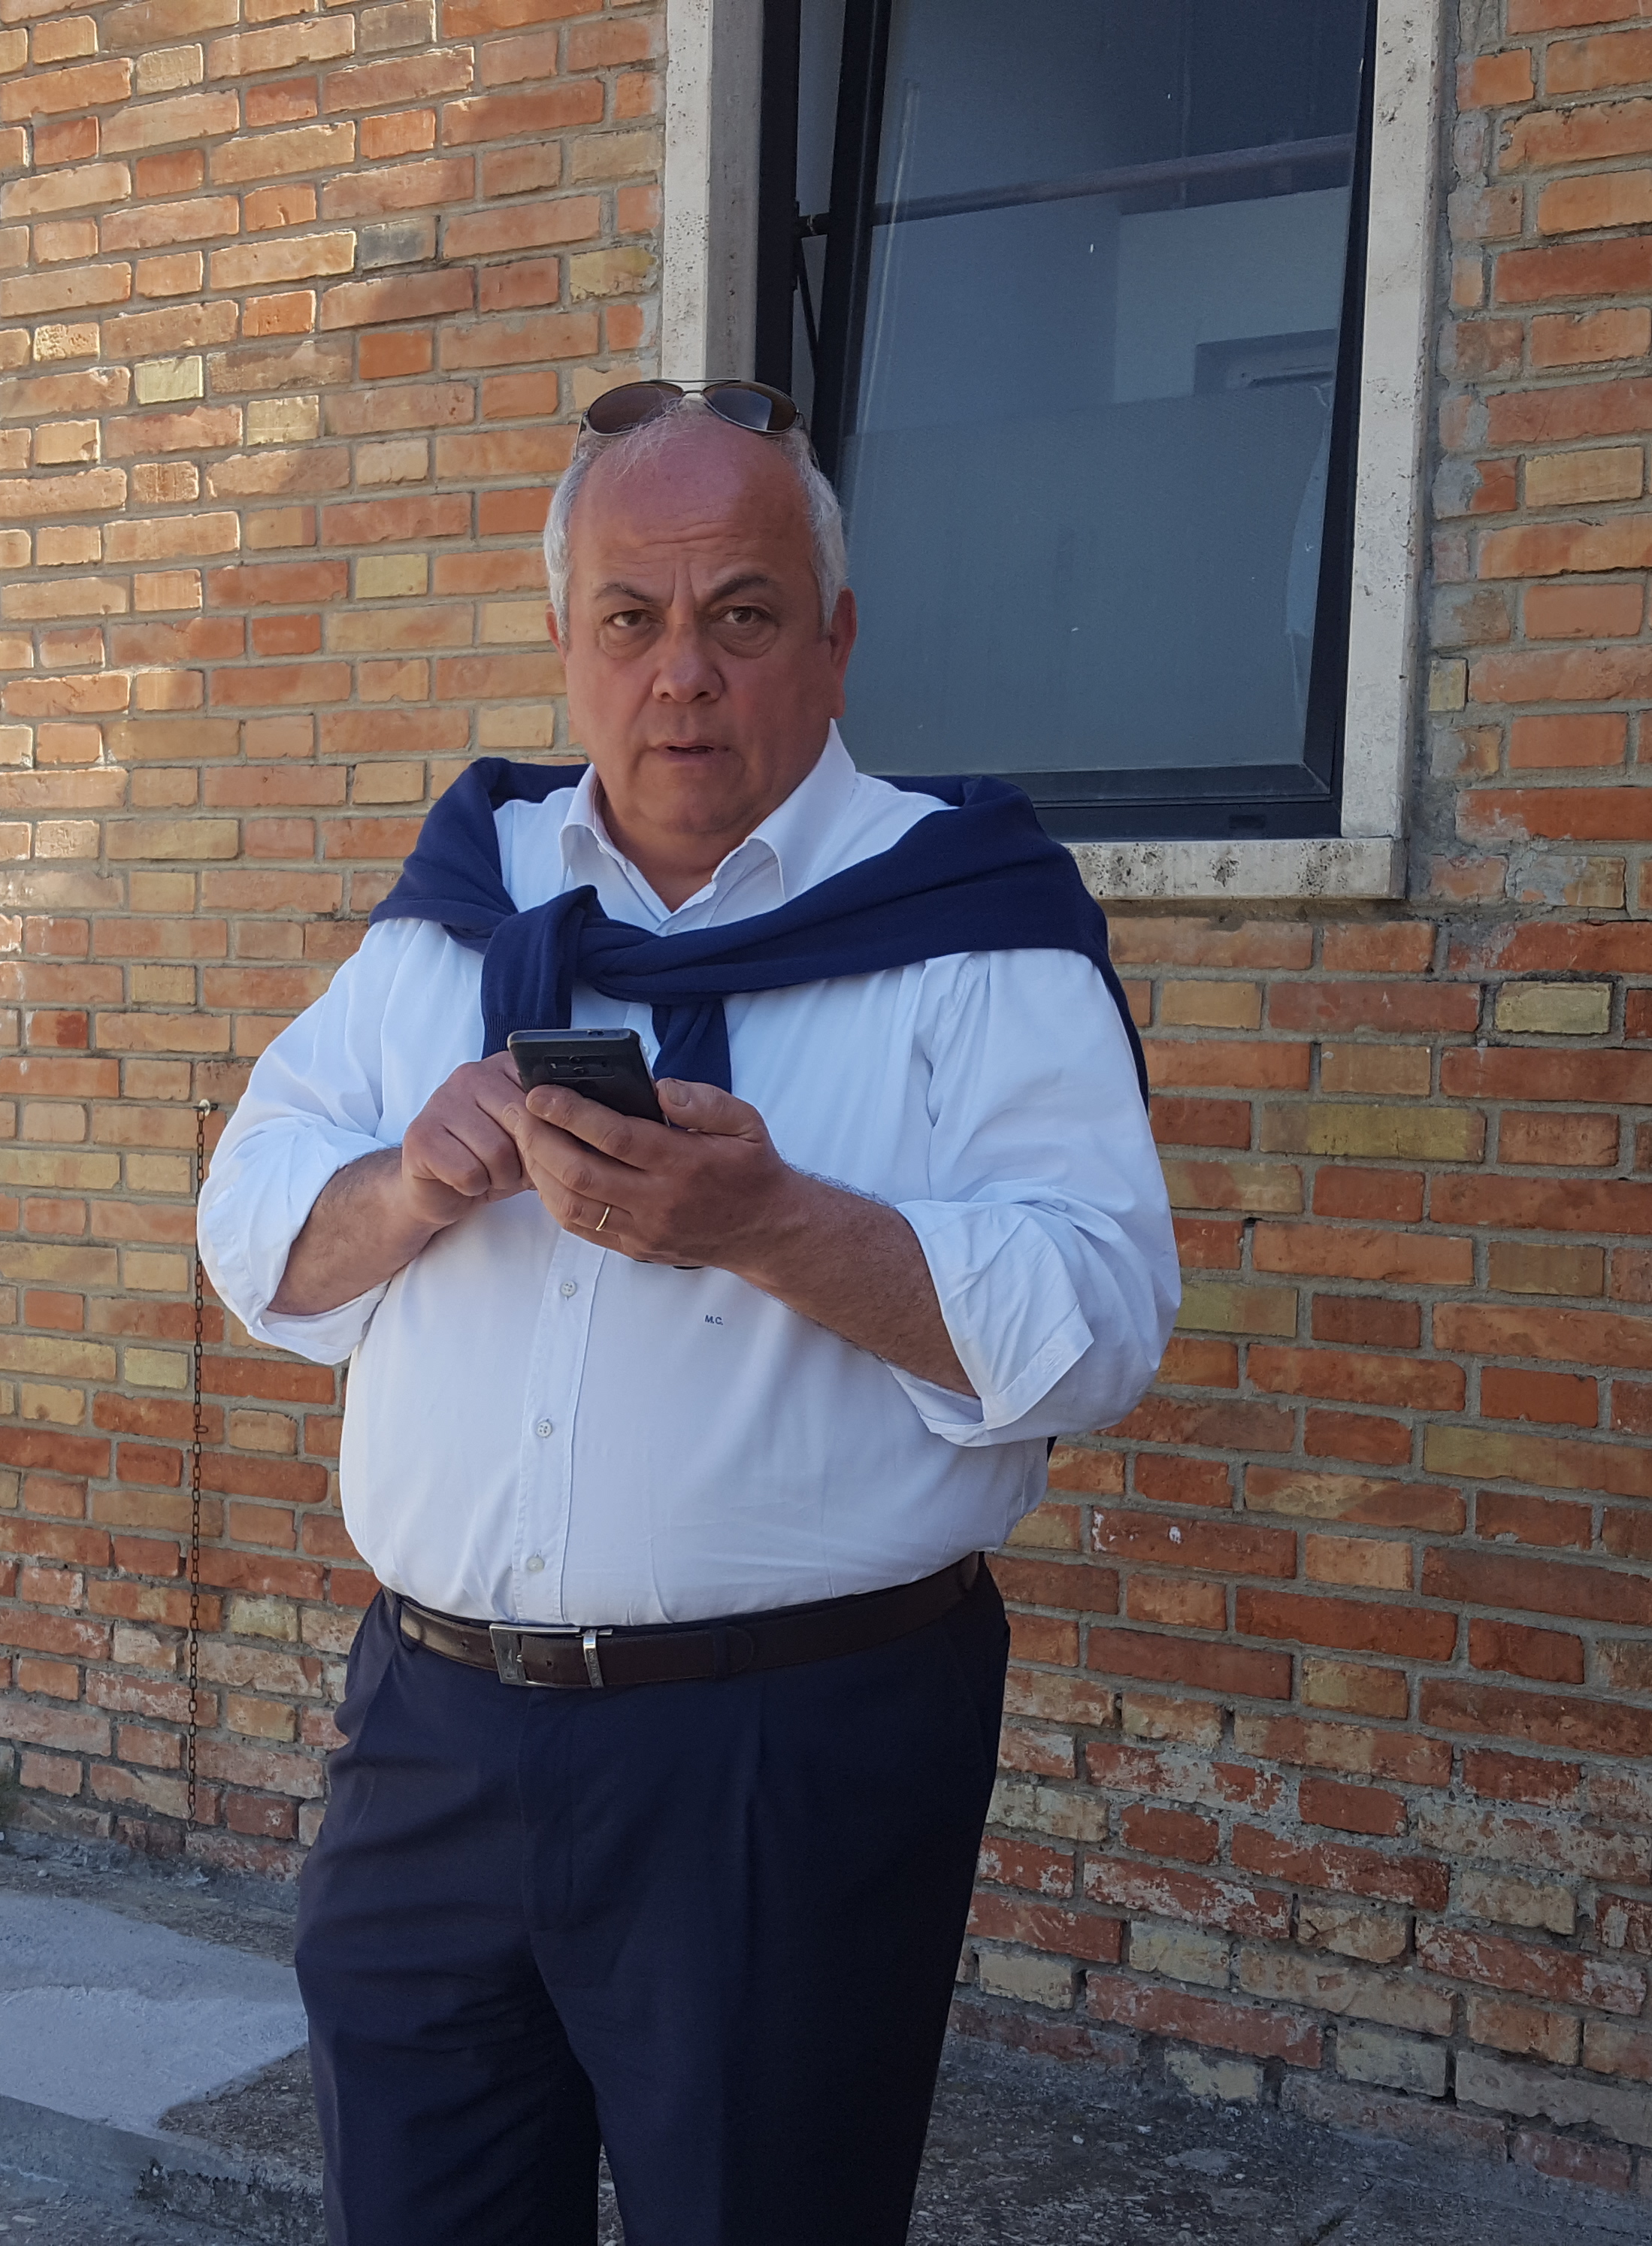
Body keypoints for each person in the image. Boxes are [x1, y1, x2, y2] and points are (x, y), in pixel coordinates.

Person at [198, 377, 1178, 2246]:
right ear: (565, 638)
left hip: (785, 1762)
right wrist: (412, 1184)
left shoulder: (973, 923)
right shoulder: (452, 911)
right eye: (630, 619)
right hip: (431, 1740)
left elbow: (1099, 1319)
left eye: (741, 614)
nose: (682, 677)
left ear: (835, 640)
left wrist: (778, 1226)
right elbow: (254, 1239)